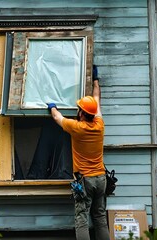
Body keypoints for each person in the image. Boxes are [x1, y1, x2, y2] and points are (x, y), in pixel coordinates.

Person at [47, 66, 109, 240]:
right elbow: (96, 98)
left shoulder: (77, 128)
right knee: (100, 217)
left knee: (81, 218)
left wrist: (52, 105)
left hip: (86, 180)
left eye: (79, 108)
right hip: (101, 178)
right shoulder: (99, 124)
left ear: (81, 113)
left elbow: (56, 117)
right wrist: (96, 81)